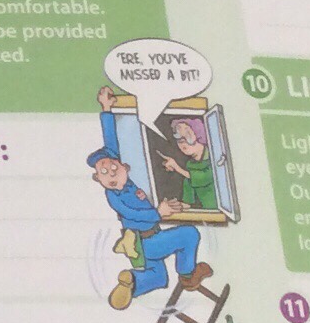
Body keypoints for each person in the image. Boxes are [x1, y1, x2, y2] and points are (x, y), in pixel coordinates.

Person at [91, 147, 211, 310]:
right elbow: (132, 213)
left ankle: (131, 282)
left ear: (124, 167)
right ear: (97, 178)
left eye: (114, 167)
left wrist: (167, 206)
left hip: (145, 242)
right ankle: (188, 275)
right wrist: (158, 213)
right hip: (146, 242)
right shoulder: (113, 196)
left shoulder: (130, 185)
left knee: (159, 278)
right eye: (104, 172)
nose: (111, 173)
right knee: (189, 234)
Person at [160, 114, 220, 213]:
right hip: (205, 213)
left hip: (216, 211)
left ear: (199, 135)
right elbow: (189, 196)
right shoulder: (190, 164)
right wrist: (177, 206)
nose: (182, 143)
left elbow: (203, 177)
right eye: (178, 138)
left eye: (188, 136)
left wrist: (177, 168)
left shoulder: (214, 157)